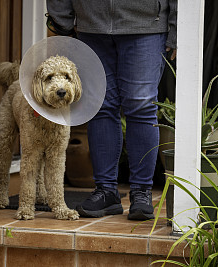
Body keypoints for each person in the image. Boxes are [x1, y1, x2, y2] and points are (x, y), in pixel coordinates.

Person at [46, 0, 177, 220]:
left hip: (147, 24)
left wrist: (177, 27)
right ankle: (106, 191)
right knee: (101, 106)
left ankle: (141, 193)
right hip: (90, 25)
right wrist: (62, 20)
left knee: (141, 106)